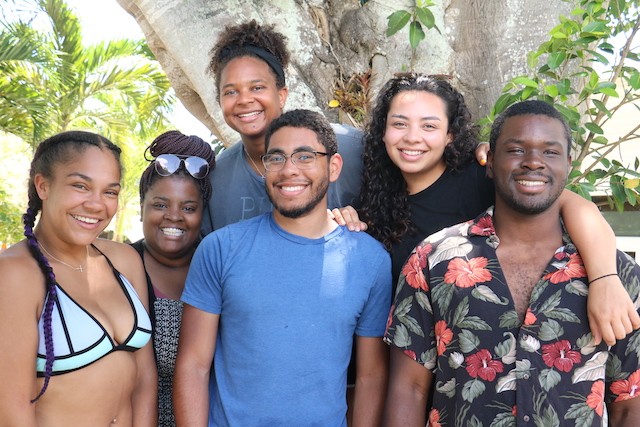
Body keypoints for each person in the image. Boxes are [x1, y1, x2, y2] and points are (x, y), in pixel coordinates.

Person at [383, 100, 640, 426]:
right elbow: (409, 389)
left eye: (550, 152)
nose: (533, 162)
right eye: (516, 150)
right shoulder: (433, 260)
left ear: (568, 165)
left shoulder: (616, 275)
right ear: (490, 161)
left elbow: (629, 403)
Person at [358, 73, 639, 345]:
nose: (412, 137)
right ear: (383, 131)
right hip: (412, 352)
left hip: (497, 345)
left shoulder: (483, 176)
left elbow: (576, 206)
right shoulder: (374, 201)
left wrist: (605, 278)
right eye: (399, 124)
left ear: (450, 135)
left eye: (429, 126)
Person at [173, 109, 391, 426]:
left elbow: (371, 376)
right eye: (276, 158)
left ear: (333, 167)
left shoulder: (371, 259)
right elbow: (193, 365)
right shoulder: (220, 248)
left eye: (305, 157)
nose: (288, 170)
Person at [0, 130, 157, 426]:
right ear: (43, 186)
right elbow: (12, 411)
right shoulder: (15, 275)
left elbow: (145, 380)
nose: (97, 205)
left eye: (110, 192)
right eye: (81, 186)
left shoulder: (125, 260)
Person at [200, 19, 364, 234]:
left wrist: (356, 222)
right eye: (231, 92)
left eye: (257, 87)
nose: (244, 100)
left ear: (281, 95)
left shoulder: (351, 148)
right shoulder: (216, 179)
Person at [131, 130, 216, 426]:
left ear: (203, 214)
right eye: (160, 205)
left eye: (188, 208)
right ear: (141, 208)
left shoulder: (219, 269)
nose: (174, 216)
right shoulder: (117, 268)